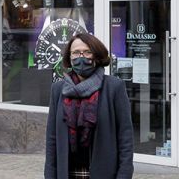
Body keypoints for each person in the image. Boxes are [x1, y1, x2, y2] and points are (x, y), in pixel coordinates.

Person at [45, 33, 134, 179]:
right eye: (75, 53)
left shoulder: (114, 87)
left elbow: (125, 137)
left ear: (97, 56)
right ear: (69, 57)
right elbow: (52, 139)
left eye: (87, 52)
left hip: (104, 173)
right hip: (67, 173)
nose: (81, 57)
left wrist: (124, 175)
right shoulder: (58, 89)